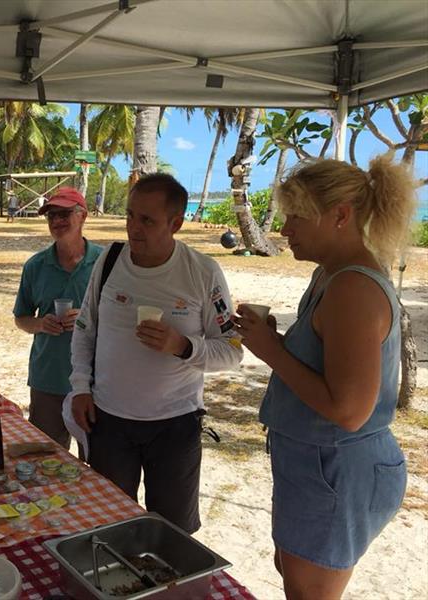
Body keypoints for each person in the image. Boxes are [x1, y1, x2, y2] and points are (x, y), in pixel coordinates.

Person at [233, 155, 414, 600]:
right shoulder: (329, 275)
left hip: (337, 467)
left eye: (296, 215)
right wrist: (279, 344)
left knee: (308, 590)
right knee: (293, 569)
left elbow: (349, 411)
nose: (284, 229)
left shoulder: (353, 287)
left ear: (340, 215)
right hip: (320, 464)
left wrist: (271, 351)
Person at [70, 173, 242, 533]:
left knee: (172, 531)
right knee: (108, 523)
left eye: (147, 220)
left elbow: (231, 351)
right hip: (109, 421)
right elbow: (86, 328)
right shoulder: (111, 260)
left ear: (176, 223)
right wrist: (81, 387)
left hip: (175, 426)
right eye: (130, 215)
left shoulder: (203, 272)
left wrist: (182, 346)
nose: (134, 228)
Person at [13, 188, 103, 448]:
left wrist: (88, 321)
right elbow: (21, 318)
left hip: (96, 380)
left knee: (97, 460)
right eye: (51, 216)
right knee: (47, 457)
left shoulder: (105, 262)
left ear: (83, 216)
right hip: (48, 378)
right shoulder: (35, 266)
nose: (56, 221)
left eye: (64, 214)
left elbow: (122, 319)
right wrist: (41, 324)